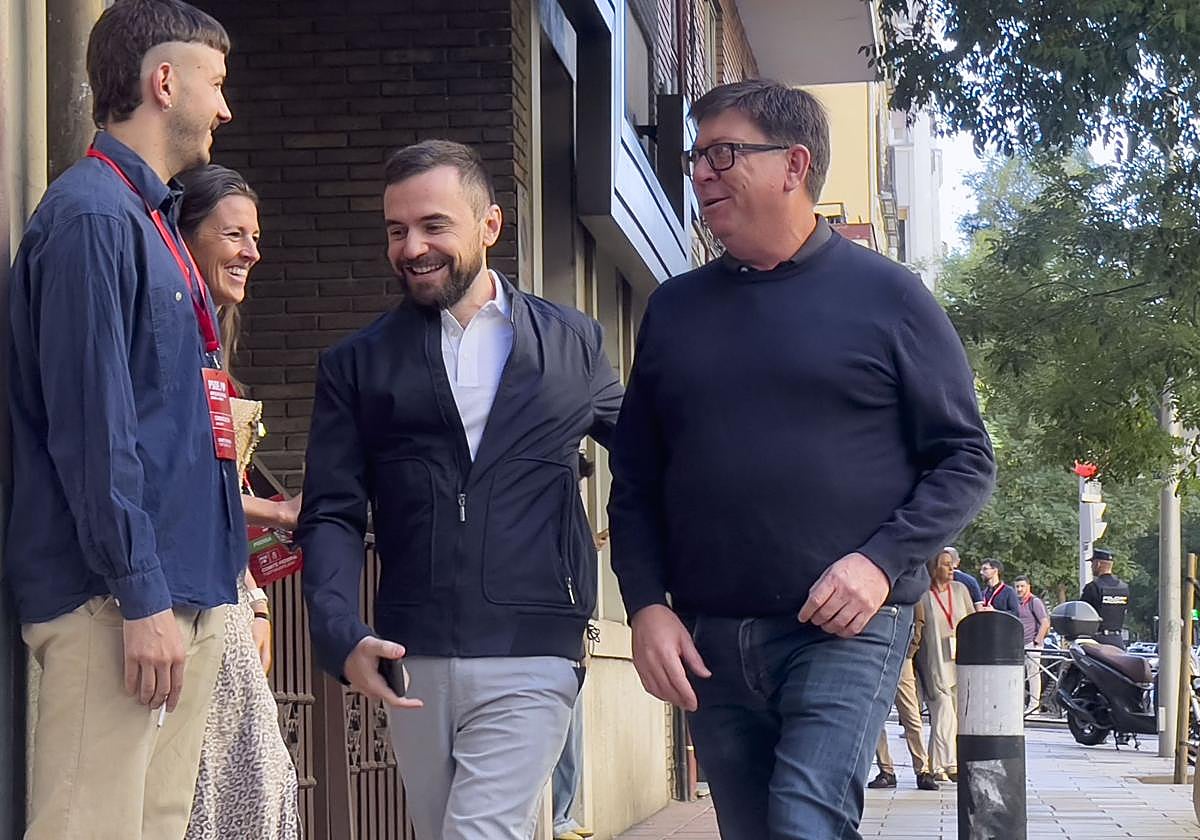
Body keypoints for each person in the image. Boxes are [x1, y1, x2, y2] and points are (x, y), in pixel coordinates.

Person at [607, 79, 995, 839]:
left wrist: (879, 562)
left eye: (724, 153)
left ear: (794, 165)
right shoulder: (674, 310)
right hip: (710, 636)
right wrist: (647, 605)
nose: (701, 173)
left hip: (846, 629)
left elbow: (965, 459)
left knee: (805, 824)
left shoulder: (891, 298)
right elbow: (637, 482)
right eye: (697, 156)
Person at [297, 139, 623, 840]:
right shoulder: (356, 364)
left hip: (535, 648)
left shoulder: (575, 345)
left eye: (433, 225)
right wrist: (339, 631)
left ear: (489, 226)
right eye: (396, 230)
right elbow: (331, 513)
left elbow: (656, 464)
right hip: (411, 656)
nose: (412, 246)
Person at [6, 2, 243, 838]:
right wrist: (142, 595)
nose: (225, 108)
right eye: (216, 84)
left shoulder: (148, 222)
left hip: (168, 599)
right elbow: (94, 427)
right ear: (163, 81)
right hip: (118, 606)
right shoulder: (90, 219)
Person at [178, 165, 302, 840]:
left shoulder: (216, 342)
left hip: (225, 585)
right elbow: (184, 475)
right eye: (234, 234)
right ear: (186, 237)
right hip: (183, 591)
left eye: (255, 235)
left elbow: (223, 481)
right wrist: (282, 515)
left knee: (255, 772)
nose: (252, 250)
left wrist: (255, 597)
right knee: (228, 778)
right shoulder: (172, 339)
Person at [552, 451, 602, 840]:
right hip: (549, 636)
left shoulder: (575, 516)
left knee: (571, 732)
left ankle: (562, 815)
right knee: (556, 731)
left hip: (571, 635)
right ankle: (556, 817)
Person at [867, 599, 938, 791]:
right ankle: (886, 770)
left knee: (910, 714)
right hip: (874, 652)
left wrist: (911, 648)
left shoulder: (909, 580)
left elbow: (919, 618)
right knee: (875, 716)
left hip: (901, 654)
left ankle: (922, 768)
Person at [916, 552, 975, 782]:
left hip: (958, 659)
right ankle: (944, 763)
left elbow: (971, 621)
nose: (951, 569)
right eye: (946, 565)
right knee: (943, 711)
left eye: (952, 565)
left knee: (954, 712)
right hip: (933, 660)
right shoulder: (923, 595)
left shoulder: (960, 590)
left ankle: (942, 763)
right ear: (934, 568)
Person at [1013, 575, 1050, 715]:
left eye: (1022, 586)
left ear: (1028, 587)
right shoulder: (1017, 602)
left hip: (1032, 643)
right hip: (1018, 644)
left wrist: (1037, 640)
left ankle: (1034, 705)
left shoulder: (1034, 601)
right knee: (1018, 675)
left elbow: (1044, 622)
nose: (1019, 589)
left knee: (1033, 674)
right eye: (1017, 586)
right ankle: (1021, 703)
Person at [1080, 549, 1130, 648]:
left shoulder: (1093, 587)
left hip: (1097, 642)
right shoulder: (1124, 588)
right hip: (1118, 641)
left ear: (1098, 564)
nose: (1091, 567)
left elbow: (1082, 614)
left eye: (1092, 564)